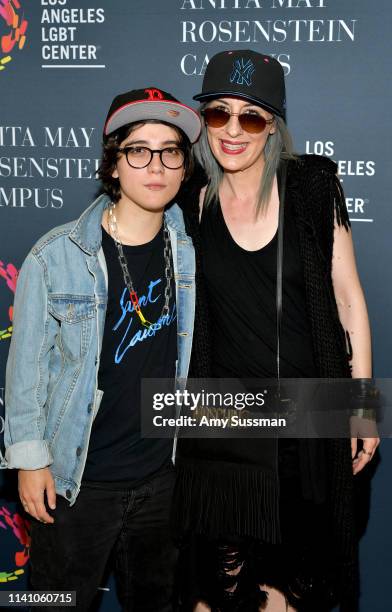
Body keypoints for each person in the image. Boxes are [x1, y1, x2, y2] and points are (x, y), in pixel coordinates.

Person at [173, 50, 380, 612]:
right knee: (213, 593)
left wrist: (362, 407)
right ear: (203, 122)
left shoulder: (311, 186)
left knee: (289, 594)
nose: (233, 130)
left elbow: (349, 299)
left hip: (307, 423)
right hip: (221, 424)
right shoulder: (189, 198)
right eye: (218, 114)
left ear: (274, 124)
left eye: (252, 116)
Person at [2, 87, 201, 611]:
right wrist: (28, 460)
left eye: (171, 151)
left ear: (185, 167)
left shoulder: (193, 252)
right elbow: (24, 371)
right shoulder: (54, 256)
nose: (155, 165)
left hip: (164, 480)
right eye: (138, 150)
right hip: (74, 483)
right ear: (113, 164)